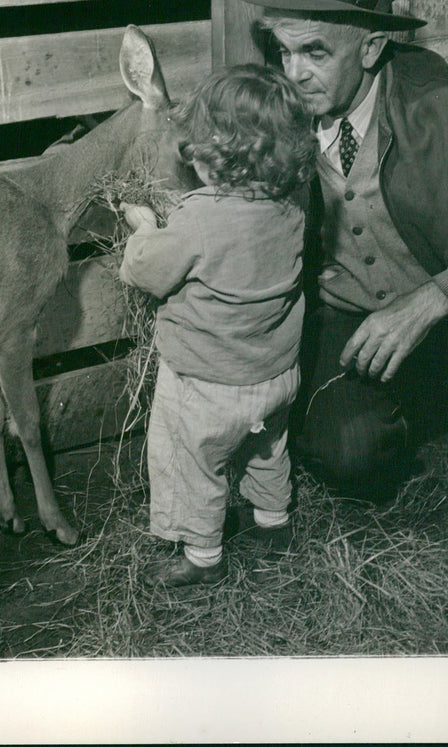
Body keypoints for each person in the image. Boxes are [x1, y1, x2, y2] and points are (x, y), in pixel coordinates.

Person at [238, 0, 448, 512]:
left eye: (315, 53)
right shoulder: (267, 113)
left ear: (370, 49)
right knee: (351, 454)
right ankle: (430, 411)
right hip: (348, 328)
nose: (292, 74)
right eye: (282, 51)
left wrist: (433, 301)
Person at [119, 64, 316, 586]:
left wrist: (142, 225)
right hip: (274, 377)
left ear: (213, 157)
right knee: (266, 449)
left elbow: (146, 271)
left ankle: (202, 558)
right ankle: (274, 524)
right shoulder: (292, 210)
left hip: (205, 385)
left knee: (192, 461)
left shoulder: (198, 219)